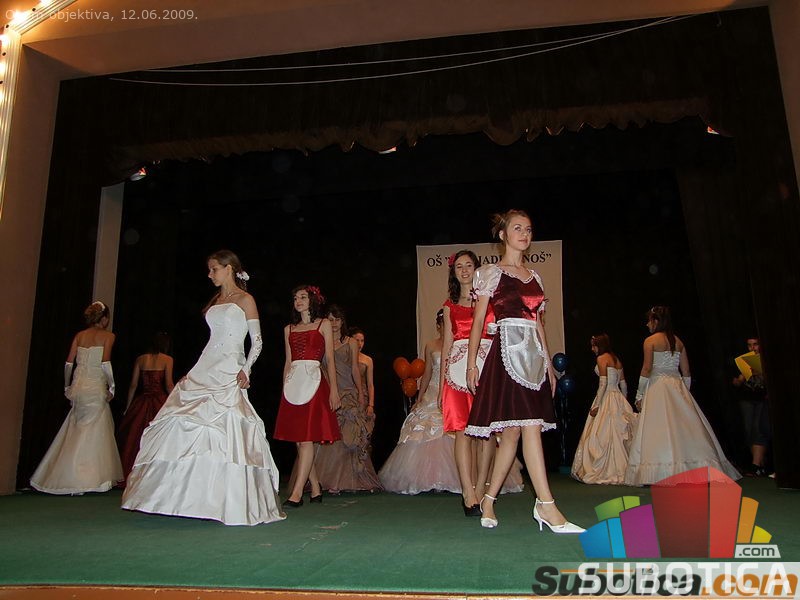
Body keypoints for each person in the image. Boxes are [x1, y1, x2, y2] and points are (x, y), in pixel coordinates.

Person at [122, 250, 284, 526]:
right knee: (184, 421)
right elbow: (213, 340)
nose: (210, 275)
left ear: (229, 268)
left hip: (230, 368)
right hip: (206, 366)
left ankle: (226, 499)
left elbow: (257, 340)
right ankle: (183, 497)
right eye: (209, 270)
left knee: (227, 428)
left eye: (214, 269)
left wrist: (246, 369)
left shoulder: (246, 300)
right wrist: (195, 371)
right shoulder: (217, 300)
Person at [465, 209, 583, 533]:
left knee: (515, 434)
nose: (524, 234)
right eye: (517, 228)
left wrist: (548, 365)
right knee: (525, 427)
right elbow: (478, 321)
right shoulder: (490, 273)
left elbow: (538, 323)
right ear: (503, 234)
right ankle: (546, 504)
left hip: (532, 357)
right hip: (506, 353)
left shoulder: (535, 277)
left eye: (528, 229)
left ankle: (489, 499)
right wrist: (472, 362)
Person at [624, 306, 741, 486]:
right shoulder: (678, 341)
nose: (647, 324)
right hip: (676, 386)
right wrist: (684, 392)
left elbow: (646, 369)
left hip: (658, 387)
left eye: (649, 321)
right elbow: (686, 372)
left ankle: (659, 473)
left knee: (657, 429)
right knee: (686, 430)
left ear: (656, 321)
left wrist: (639, 394)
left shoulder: (650, 341)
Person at [30, 301, 123, 494]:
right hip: (95, 387)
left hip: (79, 387)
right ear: (105, 319)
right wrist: (112, 387)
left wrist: (67, 386)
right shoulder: (108, 336)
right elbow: (105, 362)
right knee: (95, 431)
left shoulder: (80, 336)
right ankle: (91, 479)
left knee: (77, 430)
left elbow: (68, 363)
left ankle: (73, 477)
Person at [439, 249, 503, 517]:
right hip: (456, 373)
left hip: (486, 368)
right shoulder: (449, 306)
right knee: (462, 431)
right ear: (454, 273)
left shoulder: (491, 300)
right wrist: (441, 385)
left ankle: (481, 486)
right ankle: (467, 492)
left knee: (487, 431)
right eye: (459, 267)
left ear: (477, 269)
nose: (464, 270)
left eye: (469, 265)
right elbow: (446, 345)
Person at [379, 310, 461, 493]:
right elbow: (427, 373)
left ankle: (450, 478)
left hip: (452, 390)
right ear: (438, 326)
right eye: (443, 325)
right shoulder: (431, 345)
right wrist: (419, 397)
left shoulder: (458, 343)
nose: (447, 328)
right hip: (432, 391)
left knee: (450, 432)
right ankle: (426, 479)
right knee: (422, 429)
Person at [274, 285, 341, 507]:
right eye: (295, 298)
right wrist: (284, 388)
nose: (298, 301)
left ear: (312, 300)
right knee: (299, 440)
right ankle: (315, 487)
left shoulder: (323, 325)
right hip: (294, 384)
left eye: (302, 297)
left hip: (313, 382)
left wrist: (334, 390)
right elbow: (288, 361)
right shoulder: (289, 329)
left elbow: (329, 359)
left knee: (305, 439)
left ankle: (296, 494)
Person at [313, 305, 382, 493]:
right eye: (330, 320)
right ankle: (326, 481)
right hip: (328, 393)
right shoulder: (322, 342)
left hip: (349, 392)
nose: (334, 323)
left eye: (337, 319)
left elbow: (354, 368)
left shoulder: (350, 342)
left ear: (342, 321)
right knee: (330, 435)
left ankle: (350, 480)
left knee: (349, 436)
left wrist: (360, 392)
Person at [571, 334, 636, 485]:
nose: (592, 349)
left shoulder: (601, 358)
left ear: (599, 346)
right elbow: (624, 384)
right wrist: (623, 402)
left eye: (594, 346)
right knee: (617, 435)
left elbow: (603, 384)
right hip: (618, 397)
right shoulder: (616, 359)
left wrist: (596, 406)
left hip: (606, 397)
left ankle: (604, 470)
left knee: (600, 434)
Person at [117, 332, 175, 483]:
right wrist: (177, 401)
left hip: (141, 402)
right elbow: (169, 385)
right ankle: (154, 475)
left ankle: (133, 472)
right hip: (159, 402)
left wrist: (128, 407)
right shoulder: (167, 359)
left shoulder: (141, 359)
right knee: (159, 438)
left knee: (135, 437)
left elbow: (133, 385)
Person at [732, 337, 771, 477]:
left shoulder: (766, 358)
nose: (752, 348)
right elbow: (739, 380)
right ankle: (758, 464)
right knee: (749, 430)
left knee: (759, 428)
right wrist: (739, 380)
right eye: (749, 345)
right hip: (747, 398)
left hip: (762, 398)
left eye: (755, 344)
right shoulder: (745, 359)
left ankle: (757, 465)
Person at [350, 327, 376, 439]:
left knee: (363, 432)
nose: (360, 344)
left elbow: (370, 384)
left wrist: (371, 404)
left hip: (363, 399)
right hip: (348, 397)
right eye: (357, 340)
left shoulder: (367, 360)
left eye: (362, 341)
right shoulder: (345, 357)